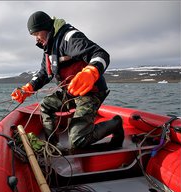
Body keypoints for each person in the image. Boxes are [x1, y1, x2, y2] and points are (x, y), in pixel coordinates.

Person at [11, 11, 124, 151]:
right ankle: (52, 146)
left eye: (37, 34)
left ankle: (116, 124)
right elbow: (44, 73)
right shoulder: (48, 47)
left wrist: (91, 72)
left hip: (91, 92)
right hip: (71, 92)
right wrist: (27, 88)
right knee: (46, 105)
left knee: (77, 141)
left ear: (46, 28)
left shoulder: (69, 37)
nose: (36, 39)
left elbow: (100, 54)